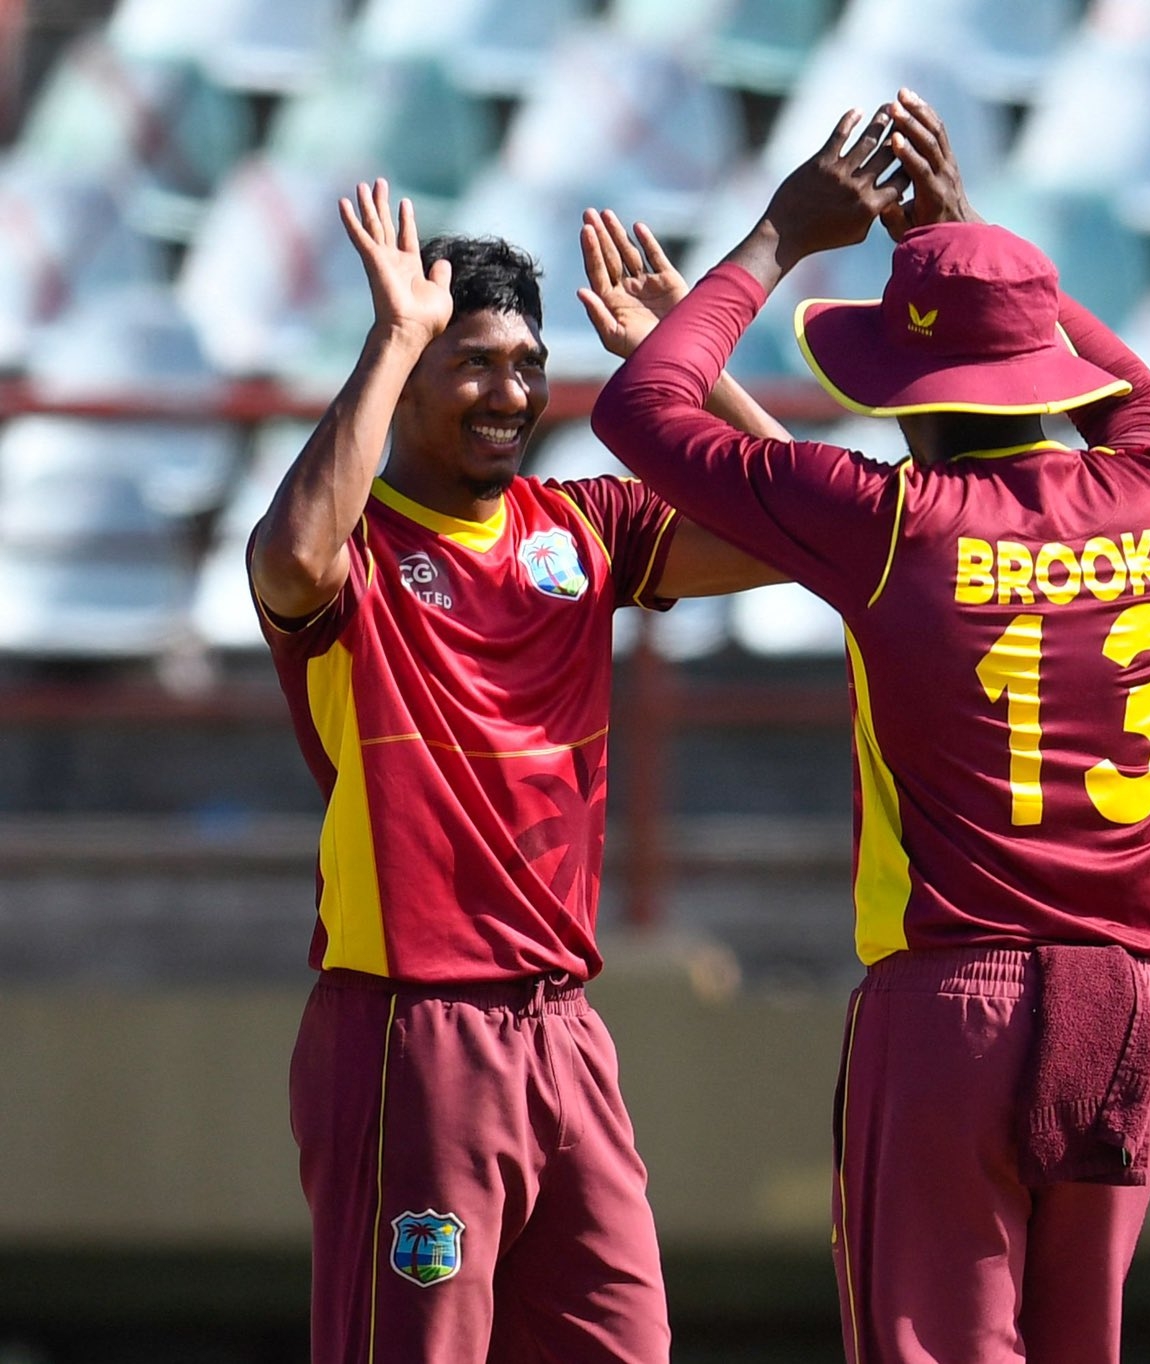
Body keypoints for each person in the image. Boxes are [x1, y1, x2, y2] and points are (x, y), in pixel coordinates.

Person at [587, 92, 1150, 1364]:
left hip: (956, 1001)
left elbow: (640, 413)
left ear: (906, 382)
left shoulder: (891, 519)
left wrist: (774, 238)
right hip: (1134, 998)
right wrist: (980, 249)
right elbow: (1132, 391)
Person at [248, 178, 782, 1363]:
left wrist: (687, 352)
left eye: (529, 364)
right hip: (411, 1033)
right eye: (475, 361)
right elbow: (288, 557)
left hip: (563, 1031)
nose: (511, 391)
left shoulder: (581, 528)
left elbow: (810, 524)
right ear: (412, 374)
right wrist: (393, 334)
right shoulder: (358, 550)